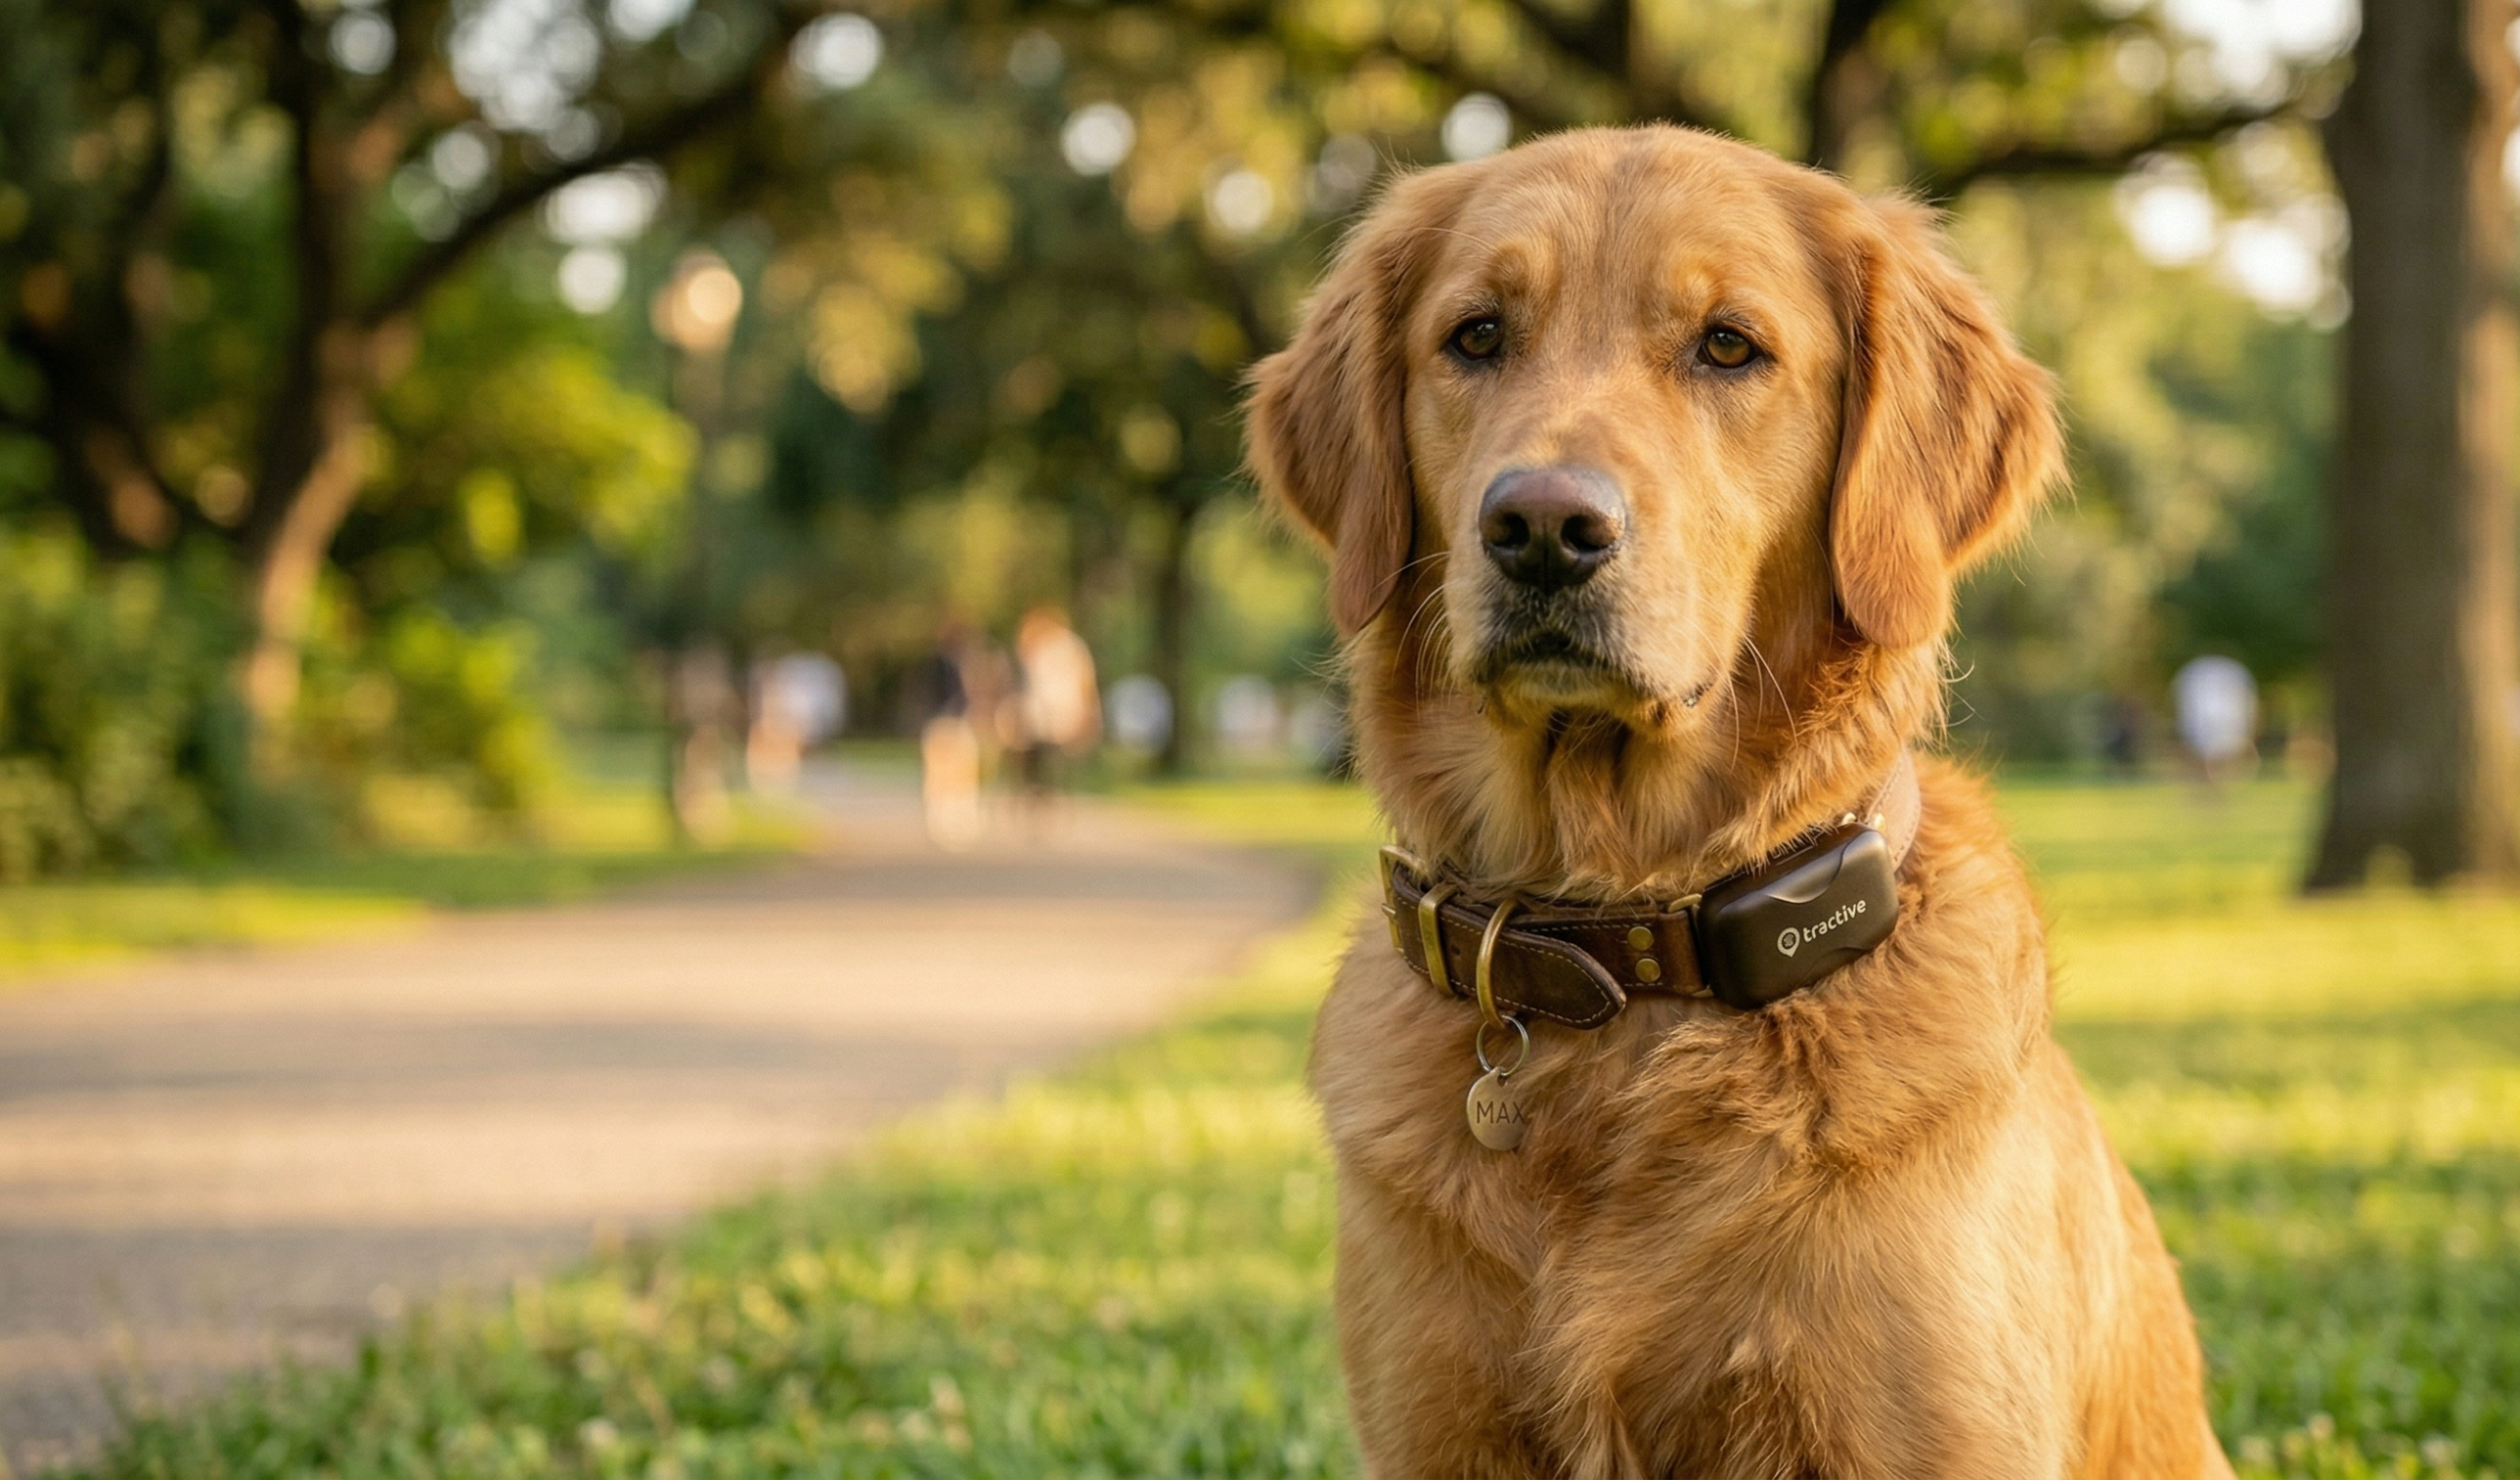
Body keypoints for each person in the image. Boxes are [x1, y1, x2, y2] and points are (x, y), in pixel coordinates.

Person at [1013, 607, 1101, 801]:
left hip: (1056, 713)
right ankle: (1042, 787)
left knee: (1046, 750)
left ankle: (1043, 788)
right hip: (1049, 713)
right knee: (1041, 749)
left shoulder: (1061, 647)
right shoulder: (1054, 647)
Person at [913, 621, 983, 850]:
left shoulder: (939, 665)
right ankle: (949, 816)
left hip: (944, 721)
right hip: (947, 721)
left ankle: (948, 816)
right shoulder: (948, 666)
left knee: (951, 772)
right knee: (948, 772)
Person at [2173, 653, 2257, 787]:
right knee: (2212, 752)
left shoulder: (2199, 672)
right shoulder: (2231, 672)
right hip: (2214, 723)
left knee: (2219, 753)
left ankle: (2216, 783)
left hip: (2218, 723)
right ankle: (2214, 783)